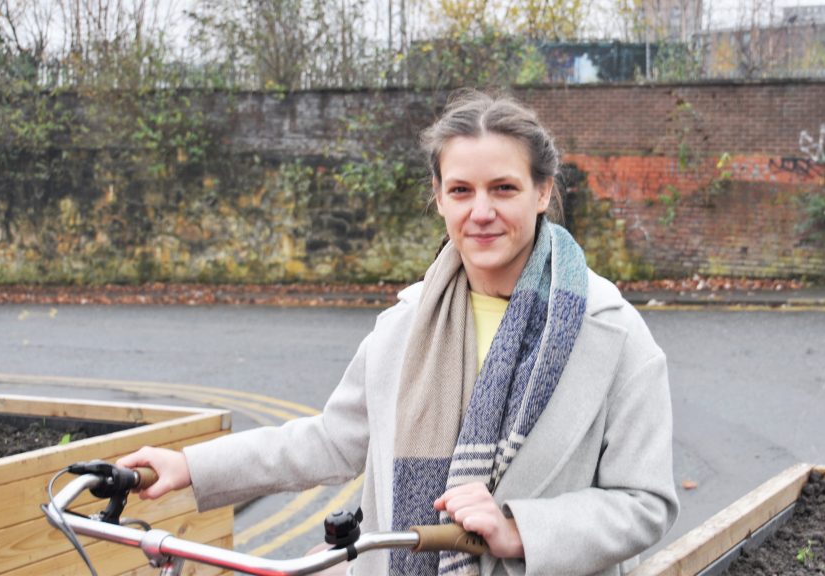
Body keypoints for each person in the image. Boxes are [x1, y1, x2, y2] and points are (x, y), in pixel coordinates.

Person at [119, 90, 678, 576]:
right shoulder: (405, 326)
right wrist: (191, 466)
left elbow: (644, 502)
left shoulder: (613, 332)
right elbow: (331, 441)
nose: (481, 211)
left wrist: (519, 528)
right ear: (438, 198)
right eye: (461, 190)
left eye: (503, 188)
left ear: (542, 192)